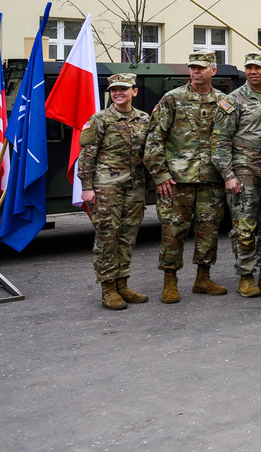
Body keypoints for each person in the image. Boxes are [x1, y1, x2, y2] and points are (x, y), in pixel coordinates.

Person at [144, 50, 228, 303]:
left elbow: (228, 138)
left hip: (211, 180)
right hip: (177, 180)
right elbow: (154, 139)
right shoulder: (173, 99)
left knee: (209, 231)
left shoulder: (223, 101)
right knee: (173, 231)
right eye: (192, 67)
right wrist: (160, 175)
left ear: (213, 70)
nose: (196, 71)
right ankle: (170, 281)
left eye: (201, 67)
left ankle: (203, 278)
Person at [211, 52, 261, 298]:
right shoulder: (234, 100)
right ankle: (246, 275)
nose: (253, 71)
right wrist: (228, 175)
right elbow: (220, 142)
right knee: (244, 226)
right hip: (244, 171)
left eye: (258, 67)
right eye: (249, 67)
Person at [78, 73, 151, 310]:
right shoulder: (99, 119)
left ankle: (123, 283)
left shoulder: (144, 119)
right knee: (107, 238)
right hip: (106, 187)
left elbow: (150, 152)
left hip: (135, 187)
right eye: (114, 90)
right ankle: (108, 288)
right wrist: (87, 187)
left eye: (123, 89)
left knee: (128, 238)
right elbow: (87, 154)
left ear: (134, 91)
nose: (118, 93)